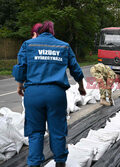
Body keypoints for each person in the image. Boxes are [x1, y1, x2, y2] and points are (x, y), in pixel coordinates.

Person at [12, 21, 86, 167]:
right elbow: (76, 70)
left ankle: (34, 163)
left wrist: (20, 87)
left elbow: (20, 69)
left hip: (33, 94)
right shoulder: (64, 46)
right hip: (56, 94)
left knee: (35, 132)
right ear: (52, 32)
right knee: (57, 130)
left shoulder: (28, 45)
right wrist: (81, 87)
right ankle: (60, 162)